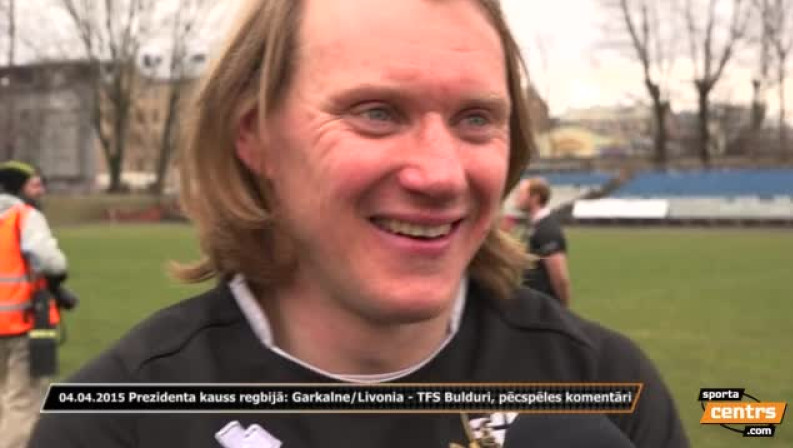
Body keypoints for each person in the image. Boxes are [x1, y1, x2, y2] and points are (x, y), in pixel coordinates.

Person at [30, 0, 688, 447]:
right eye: (376, 113)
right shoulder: (115, 422)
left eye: (475, 119)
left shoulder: (601, 384)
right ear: (255, 137)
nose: (440, 174)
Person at [0, 161, 68, 448]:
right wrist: (57, 275)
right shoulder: (25, 216)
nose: (40, 191)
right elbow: (51, 261)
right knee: (22, 401)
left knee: (4, 396)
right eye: (34, 185)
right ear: (19, 187)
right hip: (21, 323)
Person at [517, 177, 571, 306]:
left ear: (535, 198)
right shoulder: (534, 226)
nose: (517, 198)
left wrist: (562, 310)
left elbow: (559, 277)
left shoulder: (547, 229)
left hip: (545, 306)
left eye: (521, 194)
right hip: (533, 304)